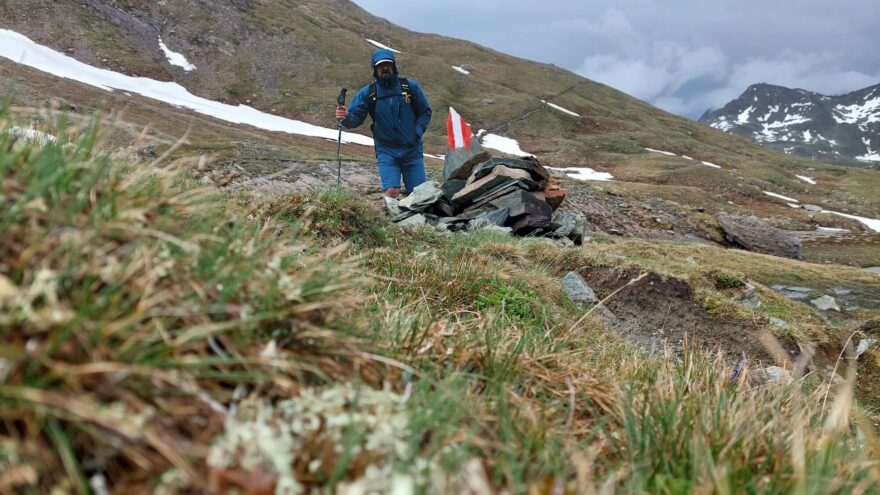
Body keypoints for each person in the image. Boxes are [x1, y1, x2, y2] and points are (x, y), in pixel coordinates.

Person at [335, 48, 432, 198]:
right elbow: (354, 119)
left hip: (412, 150)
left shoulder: (409, 87)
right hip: (387, 151)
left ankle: (417, 220)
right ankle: (392, 220)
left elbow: (425, 112)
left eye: (387, 65)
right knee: (391, 192)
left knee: (420, 195)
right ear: (375, 69)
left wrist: (417, 132)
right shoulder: (369, 93)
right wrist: (346, 116)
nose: (385, 69)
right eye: (381, 66)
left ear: (394, 66)